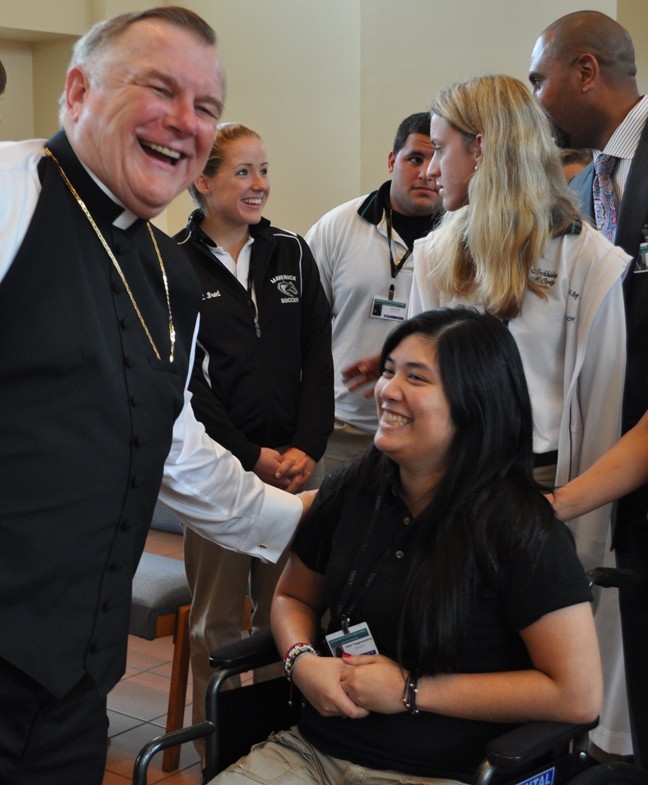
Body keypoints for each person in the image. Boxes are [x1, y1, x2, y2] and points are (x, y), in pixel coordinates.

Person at [0, 8, 307, 784]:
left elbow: (173, 447)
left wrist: (307, 521)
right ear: (77, 91)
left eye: (205, 107)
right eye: (159, 88)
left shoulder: (174, 279)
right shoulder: (9, 193)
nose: (184, 122)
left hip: (72, 684)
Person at [345, 74, 629, 760]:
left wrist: (556, 513)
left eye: (441, 150)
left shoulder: (591, 262)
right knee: (442, 656)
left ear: (483, 150)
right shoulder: (440, 254)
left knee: (530, 684)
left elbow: (606, 409)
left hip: (536, 500)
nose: (431, 168)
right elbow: (419, 381)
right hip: (439, 492)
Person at [208, 307, 602, 785]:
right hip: (314, 753)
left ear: (474, 402)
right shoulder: (355, 487)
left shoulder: (519, 528)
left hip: (444, 772)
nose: (386, 389)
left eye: (416, 377)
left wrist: (412, 691)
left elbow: (576, 694)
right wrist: (301, 662)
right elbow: (293, 597)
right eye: (389, 370)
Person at [175, 122, 333, 748]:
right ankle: (221, 741)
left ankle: (274, 739)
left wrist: (307, 447)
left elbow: (318, 355)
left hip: (296, 466)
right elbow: (187, 384)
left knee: (286, 613)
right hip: (217, 467)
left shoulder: (292, 252)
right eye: (242, 172)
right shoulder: (173, 262)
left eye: (263, 170)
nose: (258, 185)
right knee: (217, 618)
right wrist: (251, 456)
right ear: (201, 180)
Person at [529, 11, 648, 765]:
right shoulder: (589, 180)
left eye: (540, 79)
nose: (535, 97)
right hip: (609, 462)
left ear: (584, 71)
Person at [305, 112, 443, 474]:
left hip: (426, 428)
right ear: (391, 160)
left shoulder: (465, 235)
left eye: (438, 158)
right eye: (415, 158)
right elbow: (302, 325)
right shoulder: (338, 226)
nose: (428, 172)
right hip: (341, 424)